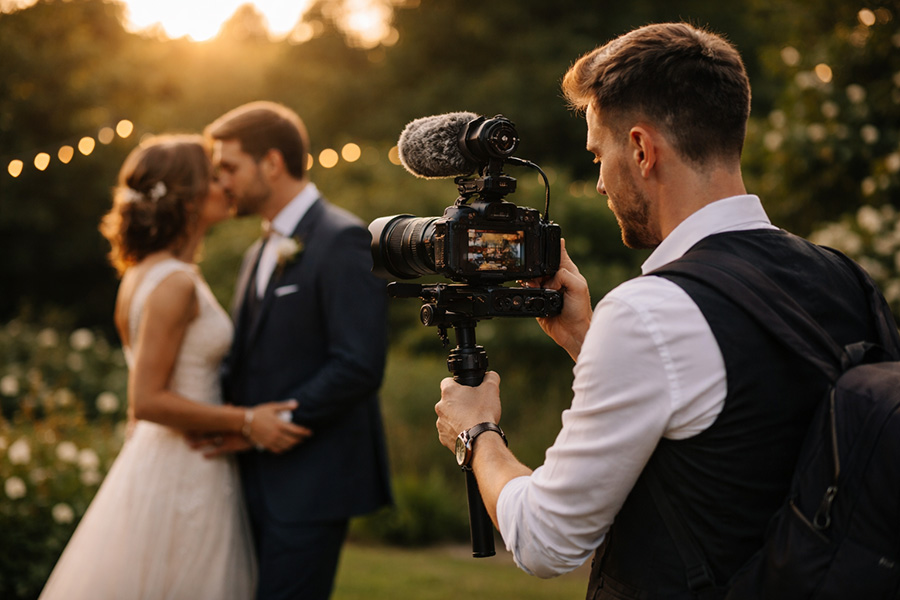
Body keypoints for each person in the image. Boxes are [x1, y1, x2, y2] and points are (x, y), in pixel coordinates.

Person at [434, 22, 889, 598]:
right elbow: (734, 431)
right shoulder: (843, 276)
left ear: (643, 150)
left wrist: (476, 432)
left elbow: (546, 539)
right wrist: (587, 340)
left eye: (600, 153)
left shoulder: (651, 313)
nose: (599, 182)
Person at [39, 134, 304, 599]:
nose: (225, 185)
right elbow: (145, 400)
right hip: (186, 464)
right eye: (212, 176)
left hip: (166, 456)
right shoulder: (174, 283)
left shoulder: (144, 272)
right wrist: (246, 421)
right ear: (186, 198)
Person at [201, 101, 392, 600]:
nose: (222, 182)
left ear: (271, 163)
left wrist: (271, 426)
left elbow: (358, 362)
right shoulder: (256, 251)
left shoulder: (342, 237)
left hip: (312, 482)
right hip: (253, 476)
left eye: (230, 167)